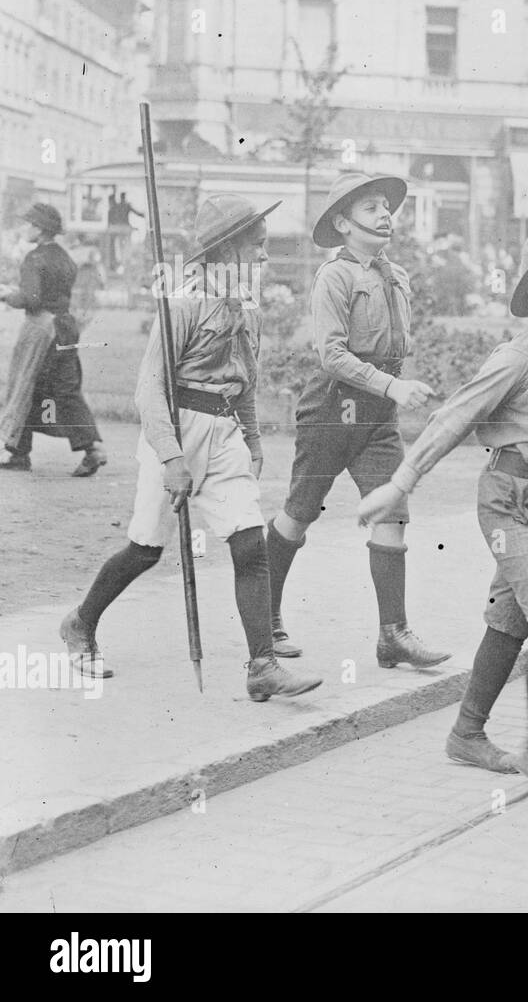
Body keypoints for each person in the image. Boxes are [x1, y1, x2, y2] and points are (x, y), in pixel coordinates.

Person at [358, 228, 528, 793]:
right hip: (510, 499)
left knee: (512, 617)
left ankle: (467, 733)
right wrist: (399, 485)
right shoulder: (516, 358)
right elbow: (452, 419)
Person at [58, 195, 324, 699]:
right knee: (145, 550)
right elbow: (149, 388)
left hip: (224, 434)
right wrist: (172, 457)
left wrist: (251, 437)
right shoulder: (180, 303)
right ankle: (80, 622)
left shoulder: (248, 305)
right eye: (258, 246)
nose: (266, 257)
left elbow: (246, 380)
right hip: (176, 431)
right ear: (227, 250)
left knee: (249, 544)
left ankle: (262, 667)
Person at [263, 172, 450, 667]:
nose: (385, 214)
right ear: (342, 223)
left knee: (392, 513)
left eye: (386, 206)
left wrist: (394, 386)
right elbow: (331, 354)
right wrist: (392, 384)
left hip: (377, 413)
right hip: (333, 408)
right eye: (370, 208)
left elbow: (395, 345)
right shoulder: (335, 276)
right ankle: (264, 617)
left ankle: (394, 635)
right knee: (300, 514)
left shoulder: (397, 275)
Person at [0, 203, 108, 476]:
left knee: (26, 384)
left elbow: (31, 299)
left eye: (28, 223)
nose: (25, 228)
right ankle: (85, 449)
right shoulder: (65, 257)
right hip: (65, 327)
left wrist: (6, 294)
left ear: (39, 228)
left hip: (42, 331)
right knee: (62, 389)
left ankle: (21, 453)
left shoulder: (34, 258)